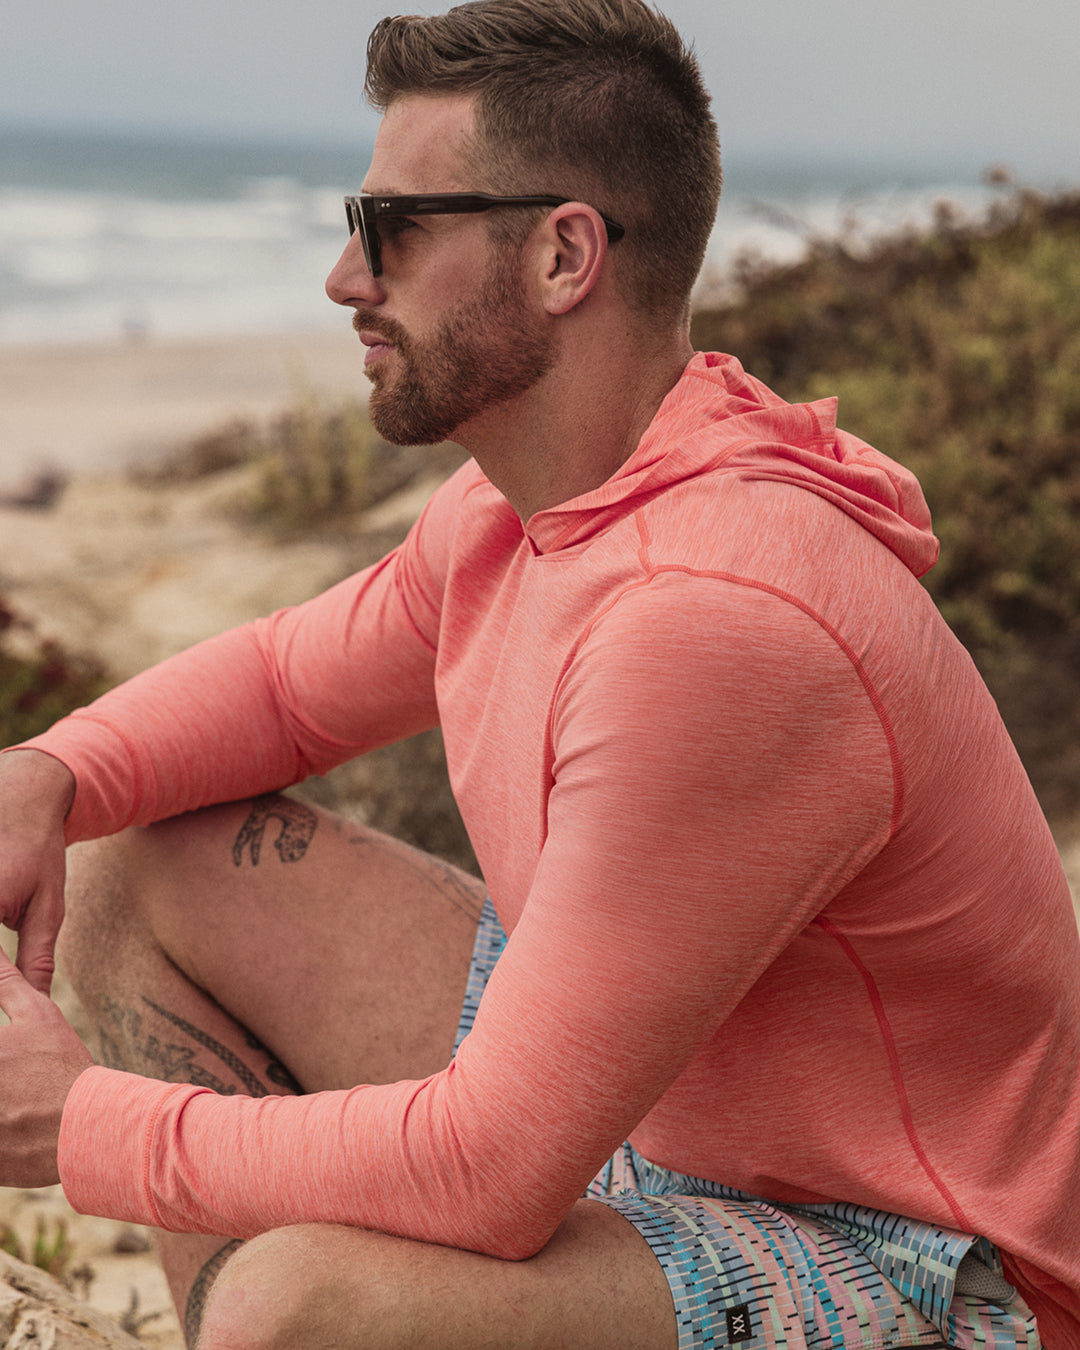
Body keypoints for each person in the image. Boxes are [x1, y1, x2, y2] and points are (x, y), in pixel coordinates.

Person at [0, 2, 1076, 1346]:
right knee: (142, 860)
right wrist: (47, 770)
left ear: (566, 254)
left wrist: (82, 1126)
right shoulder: (539, 498)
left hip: (918, 1261)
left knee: (299, 1308)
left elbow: (489, 1172)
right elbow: (283, 686)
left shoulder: (712, 616)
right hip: (659, 1127)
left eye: (393, 228)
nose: (345, 278)